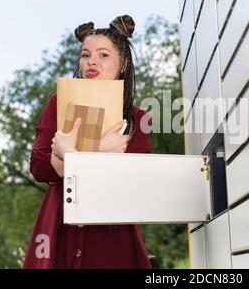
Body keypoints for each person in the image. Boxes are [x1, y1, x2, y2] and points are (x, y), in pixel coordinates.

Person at [22, 15, 152, 269]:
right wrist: (100, 153)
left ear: (123, 63)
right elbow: (38, 167)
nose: (91, 61)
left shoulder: (138, 118)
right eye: (85, 55)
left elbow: (134, 184)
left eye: (103, 55)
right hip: (60, 224)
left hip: (112, 231)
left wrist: (69, 155)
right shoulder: (57, 103)